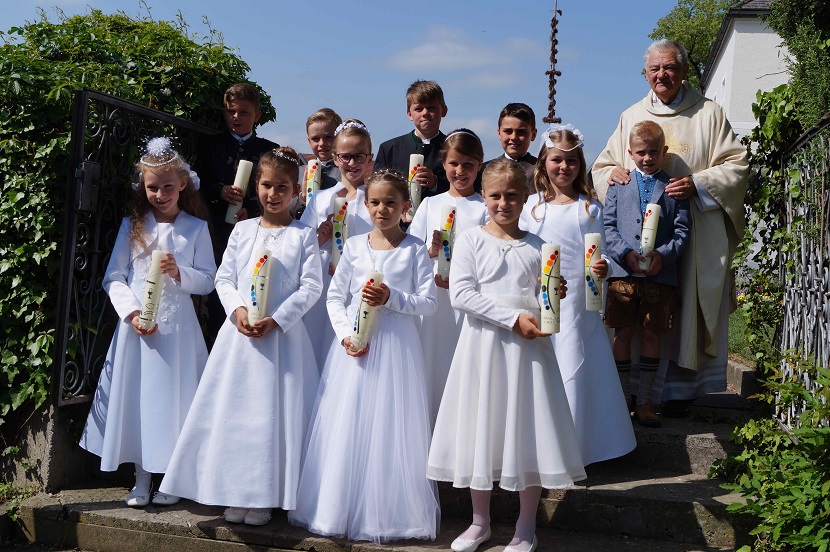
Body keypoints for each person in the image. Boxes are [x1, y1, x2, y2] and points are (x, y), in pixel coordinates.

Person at [428, 158, 586, 552]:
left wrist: (552, 295)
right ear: (483, 196)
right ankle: (479, 521)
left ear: (526, 196)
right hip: (483, 348)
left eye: (512, 195)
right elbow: (463, 295)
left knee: (527, 429)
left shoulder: (538, 247)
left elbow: (541, 299)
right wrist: (514, 318)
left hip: (529, 352)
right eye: (495, 195)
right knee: (482, 426)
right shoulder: (469, 240)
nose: (503, 203)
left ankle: (525, 524)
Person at [158, 148, 322, 526]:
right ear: (256, 187)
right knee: (237, 413)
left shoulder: (303, 236)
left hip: (282, 341)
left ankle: (265, 494)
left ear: (296, 191)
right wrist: (238, 311)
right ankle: (234, 489)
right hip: (240, 338)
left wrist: (279, 319)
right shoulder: (243, 230)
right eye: (266, 185)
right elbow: (224, 277)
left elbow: (311, 286)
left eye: (282, 187)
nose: (273, 194)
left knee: (270, 414)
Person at [591, 39, 749, 416]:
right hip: (632, 248)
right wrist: (611, 173)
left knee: (672, 317)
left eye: (670, 68)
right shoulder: (631, 115)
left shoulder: (709, 114)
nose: (662, 75)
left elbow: (737, 166)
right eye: (654, 69)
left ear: (683, 71)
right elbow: (602, 168)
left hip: (688, 232)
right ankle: (631, 395)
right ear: (646, 74)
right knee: (633, 324)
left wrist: (697, 183)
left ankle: (678, 394)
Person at [289, 171, 439, 543]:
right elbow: (334, 297)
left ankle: (387, 515)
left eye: (391, 203)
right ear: (365, 205)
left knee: (390, 423)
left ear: (406, 207)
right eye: (375, 202)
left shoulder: (415, 249)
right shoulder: (354, 246)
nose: (382, 209)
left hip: (396, 348)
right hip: (356, 345)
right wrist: (345, 336)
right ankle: (336, 507)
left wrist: (393, 298)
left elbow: (429, 303)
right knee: (350, 420)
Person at [79, 137, 216, 507]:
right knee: (141, 399)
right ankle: (141, 476)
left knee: (175, 399)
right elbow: (114, 277)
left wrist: (180, 273)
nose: (160, 194)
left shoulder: (195, 228)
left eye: (167, 187)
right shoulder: (132, 225)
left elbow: (209, 278)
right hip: (138, 328)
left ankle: (172, 476)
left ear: (182, 185)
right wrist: (132, 313)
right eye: (152, 187)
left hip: (177, 330)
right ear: (144, 187)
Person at [521, 123, 636, 461]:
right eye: (557, 160)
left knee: (573, 363)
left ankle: (574, 449)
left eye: (572, 161)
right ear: (543, 162)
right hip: (539, 298)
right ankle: (538, 448)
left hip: (578, 304)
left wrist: (605, 270)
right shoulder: (530, 208)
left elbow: (606, 257)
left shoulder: (590, 209)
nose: (564, 168)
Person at [603, 121, 691, 427]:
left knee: (652, 336)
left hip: (659, 277)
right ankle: (619, 398)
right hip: (624, 275)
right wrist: (624, 253)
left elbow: (682, 232)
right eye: (641, 152)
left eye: (654, 152)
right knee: (623, 334)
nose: (648, 158)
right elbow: (608, 226)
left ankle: (645, 401)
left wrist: (662, 257)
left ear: (664, 152)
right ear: (630, 153)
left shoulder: (672, 186)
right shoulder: (619, 184)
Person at [407, 128, 488, 423]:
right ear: (444, 164)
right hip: (434, 300)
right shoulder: (429, 204)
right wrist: (429, 252)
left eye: (468, 165)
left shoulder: (484, 208)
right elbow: (411, 253)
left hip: (466, 300)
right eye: (454, 164)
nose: (460, 171)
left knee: (463, 365)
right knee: (433, 363)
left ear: (479, 165)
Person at [197, 83, 279, 345]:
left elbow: (274, 192)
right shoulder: (211, 145)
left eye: (243, 113)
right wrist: (219, 191)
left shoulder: (269, 149)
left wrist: (252, 208)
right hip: (216, 232)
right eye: (231, 111)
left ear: (256, 115)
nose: (236, 118)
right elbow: (198, 181)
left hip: (254, 231)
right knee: (220, 290)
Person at [299, 119, 375, 366]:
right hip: (325, 281)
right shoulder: (321, 199)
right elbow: (301, 247)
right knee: (319, 345)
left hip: (359, 282)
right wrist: (320, 237)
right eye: (345, 157)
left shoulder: (375, 200)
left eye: (359, 157)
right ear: (335, 157)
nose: (351, 163)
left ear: (369, 158)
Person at [375, 79, 450, 215]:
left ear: (443, 111)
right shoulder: (390, 149)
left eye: (431, 107)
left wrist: (436, 183)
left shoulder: (452, 148)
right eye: (418, 109)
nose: (425, 113)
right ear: (409, 113)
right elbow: (378, 189)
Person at [292, 108, 343, 219]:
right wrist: (302, 197)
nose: (322, 143)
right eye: (315, 139)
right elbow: (287, 210)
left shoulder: (346, 171)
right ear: (309, 141)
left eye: (328, 137)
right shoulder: (298, 172)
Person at [475, 103, 538, 193]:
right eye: (508, 131)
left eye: (521, 132)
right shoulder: (484, 171)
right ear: (499, 133)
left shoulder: (542, 170)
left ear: (533, 135)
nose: (513, 137)